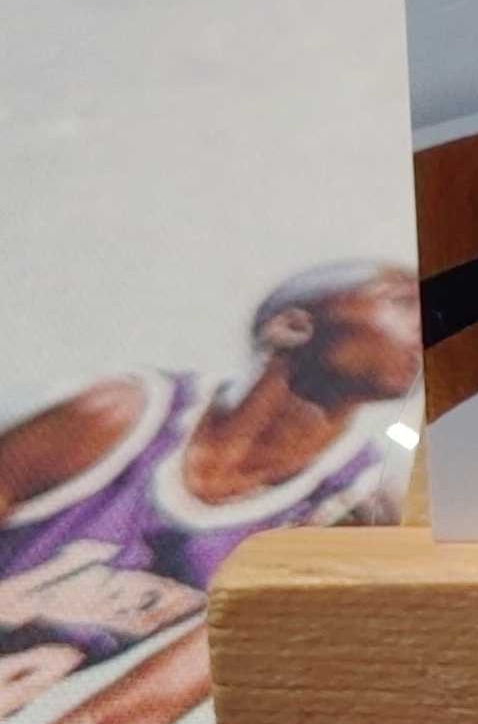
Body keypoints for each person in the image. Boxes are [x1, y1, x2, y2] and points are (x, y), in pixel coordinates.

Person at [0, 263, 420, 724]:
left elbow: (155, 697)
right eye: (405, 302)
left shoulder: (343, 512)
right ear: (292, 326)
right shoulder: (118, 415)